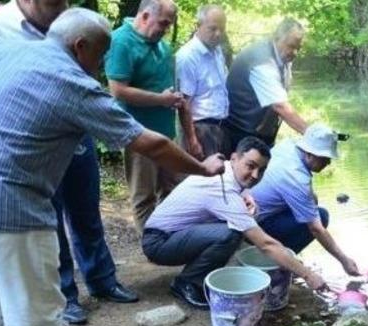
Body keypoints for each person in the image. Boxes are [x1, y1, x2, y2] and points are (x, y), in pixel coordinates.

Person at [0, 7, 225, 326]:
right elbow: (151, 143)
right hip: (9, 207)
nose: (101, 68)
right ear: (79, 47)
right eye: (100, 57)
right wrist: (203, 168)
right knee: (35, 309)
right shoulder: (69, 81)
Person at [0, 0, 141, 326]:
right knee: (48, 223)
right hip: (27, 150)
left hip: (74, 131)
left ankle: (102, 279)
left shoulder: (69, 21)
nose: (62, 5)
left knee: (86, 209)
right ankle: (66, 297)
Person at [143, 137, 327, 309]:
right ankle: (187, 283)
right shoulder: (223, 189)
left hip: (173, 234)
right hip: (159, 242)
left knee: (232, 230)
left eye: (261, 170)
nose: (255, 175)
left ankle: (199, 274)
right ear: (234, 159)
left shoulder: (223, 170)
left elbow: (237, 188)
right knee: (231, 233)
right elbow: (265, 244)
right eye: (250, 165)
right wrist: (308, 275)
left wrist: (245, 195)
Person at [106, 0, 201, 232]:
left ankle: (167, 236)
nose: (166, 30)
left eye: (169, 25)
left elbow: (171, 89)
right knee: (144, 195)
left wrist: (189, 133)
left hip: (166, 133)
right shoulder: (121, 41)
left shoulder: (163, 47)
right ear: (145, 16)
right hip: (138, 134)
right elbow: (118, 90)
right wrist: (161, 99)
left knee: (172, 188)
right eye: (163, 23)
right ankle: (152, 247)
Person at [251, 124, 360, 277]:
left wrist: (311, 199)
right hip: (255, 225)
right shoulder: (296, 178)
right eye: (324, 158)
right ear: (309, 154)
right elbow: (316, 228)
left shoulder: (288, 146)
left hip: (251, 210)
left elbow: (309, 197)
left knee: (312, 206)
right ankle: (279, 263)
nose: (328, 163)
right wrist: (344, 260)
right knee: (321, 216)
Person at [225, 17, 308, 150]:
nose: (295, 52)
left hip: (261, 136)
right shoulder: (262, 60)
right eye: (291, 46)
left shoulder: (282, 57)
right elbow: (280, 105)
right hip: (241, 135)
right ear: (276, 37)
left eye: (298, 48)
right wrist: (311, 134)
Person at [175, 4, 229, 158]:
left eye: (222, 29)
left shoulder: (217, 51)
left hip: (220, 128)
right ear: (198, 25)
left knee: (218, 180)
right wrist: (192, 140)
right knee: (201, 180)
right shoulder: (188, 57)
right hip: (200, 130)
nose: (218, 34)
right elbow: (183, 104)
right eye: (212, 28)